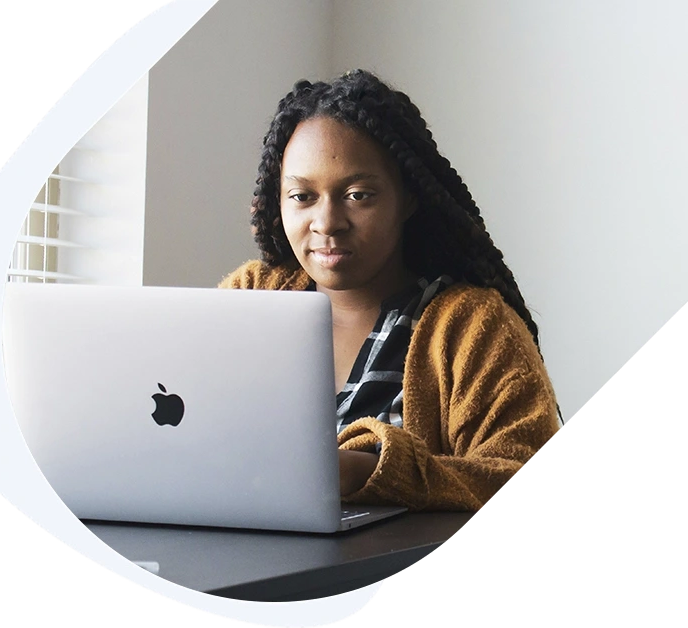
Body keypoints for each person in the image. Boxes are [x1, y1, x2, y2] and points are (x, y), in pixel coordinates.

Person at [219, 69, 560, 511]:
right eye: (302, 196)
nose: (327, 222)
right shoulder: (251, 296)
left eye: (358, 195)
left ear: (408, 198)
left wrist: (372, 472)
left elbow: (509, 467)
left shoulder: (473, 327)